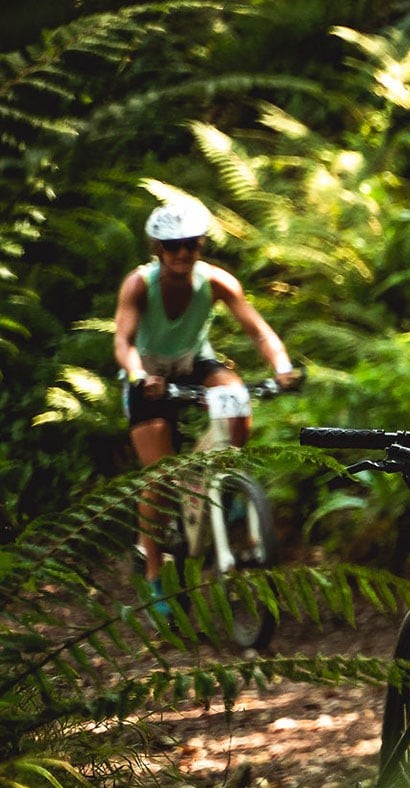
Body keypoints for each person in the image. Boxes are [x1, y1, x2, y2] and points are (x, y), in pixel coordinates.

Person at [113, 195, 296, 613]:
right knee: (158, 477)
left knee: (236, 398)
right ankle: (156, 574)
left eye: (191, 244)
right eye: (174, 246)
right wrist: (140, 377)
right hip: (149, 373)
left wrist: (281, 366)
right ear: (158, 249)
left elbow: (259, 331)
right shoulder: (140, 284)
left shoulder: (216, 282)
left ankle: (228, 486)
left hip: (194, 362)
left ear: (201, 246)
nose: (183, 253)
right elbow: (122, 341)